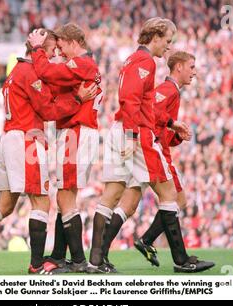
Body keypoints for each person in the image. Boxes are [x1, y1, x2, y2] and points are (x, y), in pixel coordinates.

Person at [0, 29, 97, 275]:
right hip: (26, 139)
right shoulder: (30, 72)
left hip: (8, 138)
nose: (51, 57)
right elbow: (49, 111)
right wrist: (78, 100)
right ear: (38, 49)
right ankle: (37, 265)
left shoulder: (15, 71)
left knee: (5, 205)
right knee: (41, 201)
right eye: (50, 51)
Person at [88, 18, 214, 273]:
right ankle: (181, 260)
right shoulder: (145, 62)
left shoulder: (131, 59)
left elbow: (143, 104)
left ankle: (95, 261)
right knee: (171, 195)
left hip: (121, 129)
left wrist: (170, 123)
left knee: (112, 197)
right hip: (137, 134)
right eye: (167, 41)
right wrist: (135, 136)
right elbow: (131, 99)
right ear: (155, 36)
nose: (168, 47)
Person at [28, 23, 103, 273]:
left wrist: (37, 50)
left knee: (65, 197)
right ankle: (61, 255)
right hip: (76, 132)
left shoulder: (82, 63)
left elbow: (48, 73)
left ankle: (80, 261)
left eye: (61, 46)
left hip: (77, 132)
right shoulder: (85, 66)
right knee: (65, 196)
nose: (59, 52)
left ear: (73, 42)